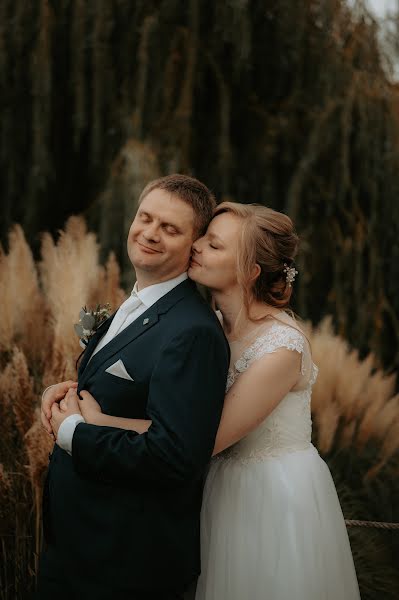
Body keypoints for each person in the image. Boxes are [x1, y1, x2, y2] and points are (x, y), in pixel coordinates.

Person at [76, 201, 361, 599]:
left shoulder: (281, 348)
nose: (197, 248)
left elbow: (201, 439)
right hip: (215, 489)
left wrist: (99, 421)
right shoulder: (206, 329)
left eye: (214, 246)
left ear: (250, 270)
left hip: (270, 499)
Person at [37, 174, 230, 600]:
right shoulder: (137, 302)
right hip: (75, 546)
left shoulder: (191, 331)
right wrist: (66, 391)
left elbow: (174, 456)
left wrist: (71, 433)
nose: (150, 233)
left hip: (124, 563)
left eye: (170, 228)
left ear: (193, 246)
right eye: (146, 217)